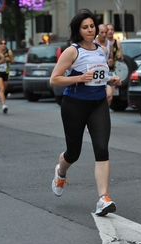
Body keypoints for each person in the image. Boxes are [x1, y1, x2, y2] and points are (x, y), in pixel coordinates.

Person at [49, 9, 122, 216]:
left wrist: (111, 80)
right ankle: (60, 172)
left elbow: (100, 76)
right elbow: (54, 79)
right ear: (78, 30)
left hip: (98, 104)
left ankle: (103, 198)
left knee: (102, 149)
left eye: (92, 26)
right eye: (85, 27)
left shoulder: (101, 50)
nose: (90, 30)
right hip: (74, 104)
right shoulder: (72, 51)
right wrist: (78, 78)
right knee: (74, 152)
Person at [95, 24, 114, 105]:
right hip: (94, 73)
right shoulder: (93, 43)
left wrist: (110, 61)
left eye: (105, 32)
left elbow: (111, 58)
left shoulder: (109, 43)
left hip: (105, 73)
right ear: (97, 32)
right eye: (101, 32)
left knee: (109, 95)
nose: (104, 34)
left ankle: (105, 111)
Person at [0, 38, 14, 114]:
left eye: (5, 43)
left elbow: (13, 61)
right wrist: (0, 61)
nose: (3, 45)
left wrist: (8, 59)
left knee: (4, 89)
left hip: (6, 72)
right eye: (1, 43)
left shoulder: (9, 52)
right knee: (1, 88)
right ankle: (4, 106)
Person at [106, 23, 123, 103]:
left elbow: (121, 57)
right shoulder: (102, 43)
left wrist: (120, 56)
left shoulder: (117, 43)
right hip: (103, 71)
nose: (110, 31)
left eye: (111, 29)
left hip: (113, 71)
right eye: (108, 30)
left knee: (109, 96)